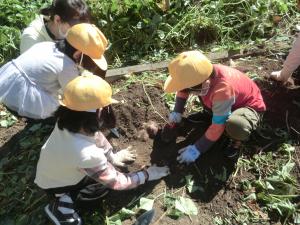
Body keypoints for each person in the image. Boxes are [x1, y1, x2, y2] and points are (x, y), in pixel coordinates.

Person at [35, 72, 170, 225]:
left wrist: (112, 156)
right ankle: (61, 207)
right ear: (95, 116)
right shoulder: (87, 154)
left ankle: (64, 197)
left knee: (102, 173)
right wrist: (147, 175)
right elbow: (119, 182)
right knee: (100, 189)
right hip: (58, 186)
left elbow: (96, 135)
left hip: (53, 171)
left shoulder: (68, 122)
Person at [163, 51, 266, 163]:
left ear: (205, 83)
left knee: (236, 125)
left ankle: (237, 142)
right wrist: (177, 111)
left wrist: (197, 148)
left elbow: (218, 126)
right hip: (227, 100)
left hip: (248, 106)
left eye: (190, 89)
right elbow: (183, 88)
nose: (187, 91)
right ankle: (210, 114)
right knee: (206, 97)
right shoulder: (202, 72)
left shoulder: (223, 90)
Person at [0, 23, 108, 119]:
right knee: (65, 111)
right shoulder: (66, 67)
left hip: (6, 85)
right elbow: (76, 97)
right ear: (78, 54)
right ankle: (41, 122)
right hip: (21, 100)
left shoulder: (47, 45)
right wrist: (94, 108)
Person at [20, 0, 91, 54]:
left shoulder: (65, 33)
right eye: (74, 26)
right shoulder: (31, 38)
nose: (78, 31)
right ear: (57, 20)